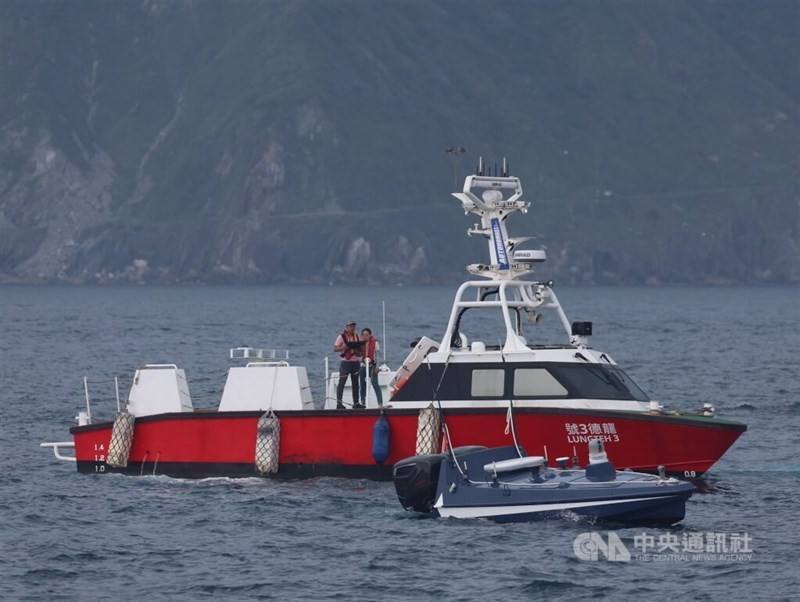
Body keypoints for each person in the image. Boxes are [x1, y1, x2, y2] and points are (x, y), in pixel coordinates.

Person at [333, 320, 363, 409]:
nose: (352, 328)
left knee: (355, 383)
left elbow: (361, 347)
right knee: (342, 383)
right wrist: (344, 347)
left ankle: (356, 403)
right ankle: (339, 403)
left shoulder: (357, 336)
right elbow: (335, 348)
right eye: (350, 326)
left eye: (353, 326)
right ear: (346, 327)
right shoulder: (341, 336)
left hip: (356, 362)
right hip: (345, 362)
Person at [359, 328, 383, 407]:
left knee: (375, 384)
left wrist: (377, 367)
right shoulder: (360, 344)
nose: (365, 337)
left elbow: (378, 356)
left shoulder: (375, 343)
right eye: (364, 335)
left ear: (370, 335)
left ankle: (380, 403)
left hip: (372, 366)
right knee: (362, 384)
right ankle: (363, 401)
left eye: (367, 335)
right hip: (363, 366)